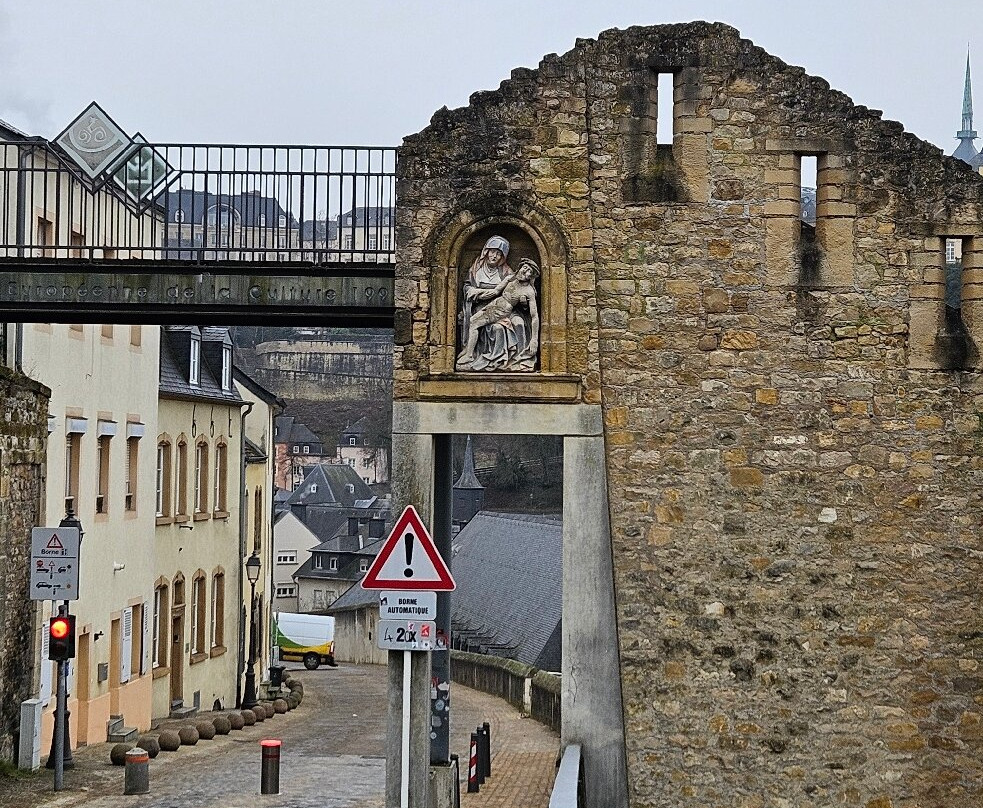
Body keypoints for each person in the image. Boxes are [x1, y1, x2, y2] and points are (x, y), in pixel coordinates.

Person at [457, 257, 540, 371]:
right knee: (473, 321)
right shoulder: (511, 279)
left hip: (503, 310)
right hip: (495, 303)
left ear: (531, 276)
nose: (525, 272)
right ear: (520, 267)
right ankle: (469, 352)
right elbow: (495, 291)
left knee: (474, 322)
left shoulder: (529, 291)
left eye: (529, 271)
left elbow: (534, 316)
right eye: (524, 268)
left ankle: (469, 355)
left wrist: (534, 339)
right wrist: (477, 293)